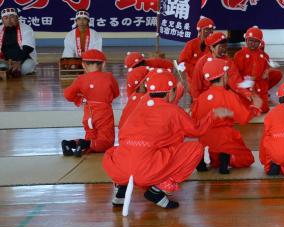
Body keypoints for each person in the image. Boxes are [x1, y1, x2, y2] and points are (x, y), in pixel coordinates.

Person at [104, 69, 220, 214]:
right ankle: (159, 189)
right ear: (170, 92)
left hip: (119, 169)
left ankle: (121, 187)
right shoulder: (173, 111)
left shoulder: (140, 105)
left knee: (117, 150)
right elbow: (196, 130)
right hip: (146, 170)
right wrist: (213, 115)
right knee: (196, 148)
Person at [190, 58, 255, 174]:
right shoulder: (229, 95)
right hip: (224, 139)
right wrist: (255, 108)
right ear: (224, 76)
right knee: (247, 158)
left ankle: (205, 158)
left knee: (210, 146)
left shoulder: (201, 97)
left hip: (204, 139)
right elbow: (243, 118)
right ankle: (225, 160)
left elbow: (194, 120)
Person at [61, 49, 120, 156]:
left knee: (91, 137)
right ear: (103, 64)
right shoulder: (109, 77)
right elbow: (116, 93)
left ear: (84, 65)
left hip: (88, 113)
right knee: (106, 142)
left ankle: (69, 144)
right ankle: (83, 144)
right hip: (104, 113)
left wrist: (79, 99)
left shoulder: (81, 79)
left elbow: (67, 94)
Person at [190, 32, 258, 109]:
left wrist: (247, 94)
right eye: (221, 47)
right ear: (212, 47)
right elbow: (195, 85)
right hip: (206, 97)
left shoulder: (228, 62)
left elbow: (236, 81)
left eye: (225, 47)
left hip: (222, 96)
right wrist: (197, 102)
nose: (224, 50)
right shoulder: (202, 62)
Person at [233, 26, 283, 113]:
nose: (253, 43)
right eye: (250, 40)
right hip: (245, 85)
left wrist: (267, 71)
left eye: (256, 41)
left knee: (263, 109)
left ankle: (263, 94)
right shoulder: (239, 55)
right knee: (245, 108)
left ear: (260, 42)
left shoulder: (264, 55)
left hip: (260, 85)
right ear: (246, 40)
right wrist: (243, 87)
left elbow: (267, 68)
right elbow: (235, 74)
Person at [0, 7, 37, 76]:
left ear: (17, 18)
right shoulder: (0, 29)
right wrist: (4, 61)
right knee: (2, 66)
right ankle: (7, 70)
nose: (9, 20)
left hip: (23, 59)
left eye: (12, 17)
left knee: (27, 68)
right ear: (2, 20)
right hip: (4, 60)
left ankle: (10, 71)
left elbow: (28, 48)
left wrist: (18, 62)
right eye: (6, 18)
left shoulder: (26, 29)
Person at [177, 16, 215, 82]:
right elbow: (182, 62)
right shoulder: (191, 44)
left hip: (211, 77)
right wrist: (196, 72)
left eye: (211, 29)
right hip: (193, 78)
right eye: (207, 29)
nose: (210, 32)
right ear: (199, 30)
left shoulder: (215, 44)